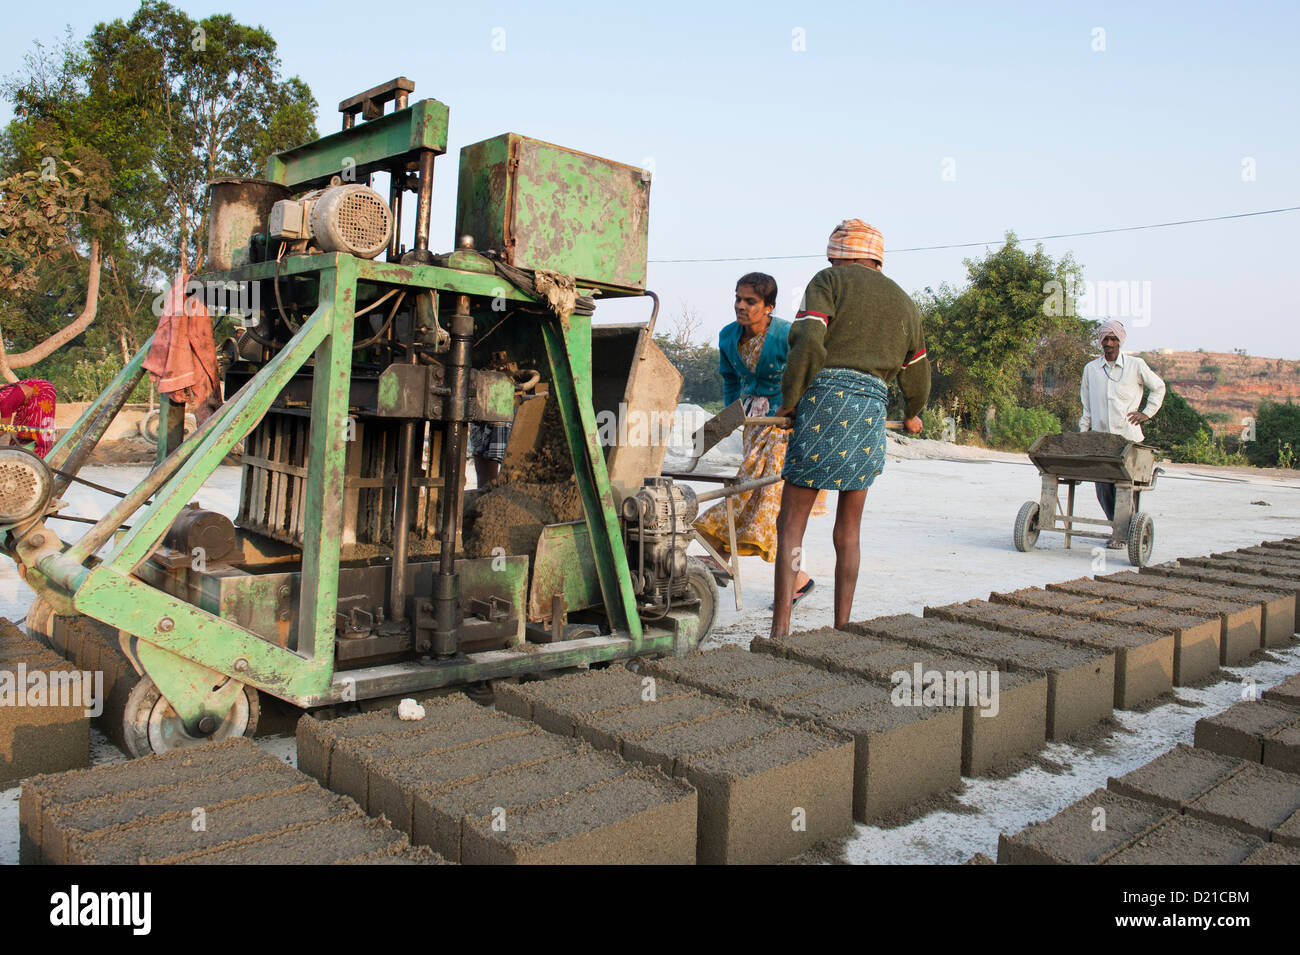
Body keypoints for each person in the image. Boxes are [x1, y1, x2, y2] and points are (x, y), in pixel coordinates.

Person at [770, 220, 929, 639]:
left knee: (791, 523)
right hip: (871, 412)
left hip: (823, 403)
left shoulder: (829, 280)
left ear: (840, 254)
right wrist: (914, 411)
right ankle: (843, 627)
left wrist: (790, 400)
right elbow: (917, 368)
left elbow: (807, 340)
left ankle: (781, 628)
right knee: (849, 528)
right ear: (876, 257)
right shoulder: (904, 301)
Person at [695, 273, 825, 603]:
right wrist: (729, 418)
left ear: (769, 307)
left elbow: (810, 370)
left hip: (786, 426)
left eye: (750, 301)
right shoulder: (727, 337)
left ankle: (725, 557)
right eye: (738, 298)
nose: (741, 305)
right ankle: (790, 577)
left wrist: (796, 406)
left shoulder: (785, 334)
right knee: (755, 495)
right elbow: (729, 380)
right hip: (754, 424)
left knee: (770, 502)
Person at [1078, 319, 1165, 546]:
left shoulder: (1135, 365)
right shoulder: (1091, 370)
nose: (1109, 343)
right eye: (1105, 339)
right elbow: (1086, 406)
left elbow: (1158, 387)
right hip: (1101, 441)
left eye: (1113, 338)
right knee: (1103, 489)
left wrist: (1146, 413)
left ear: (1120, 341)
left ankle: (1125, 535)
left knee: (1126, 489)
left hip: (1129, 440)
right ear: (1100, 342)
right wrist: (1083, 433)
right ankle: (1119, 529)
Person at [0, 379, 58, 458]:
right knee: (19, 429)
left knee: (39, 429)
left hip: (42, 391)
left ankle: (41, 461)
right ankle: (14, 457)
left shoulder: (5, 401)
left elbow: (3, 428)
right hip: (26, 395)